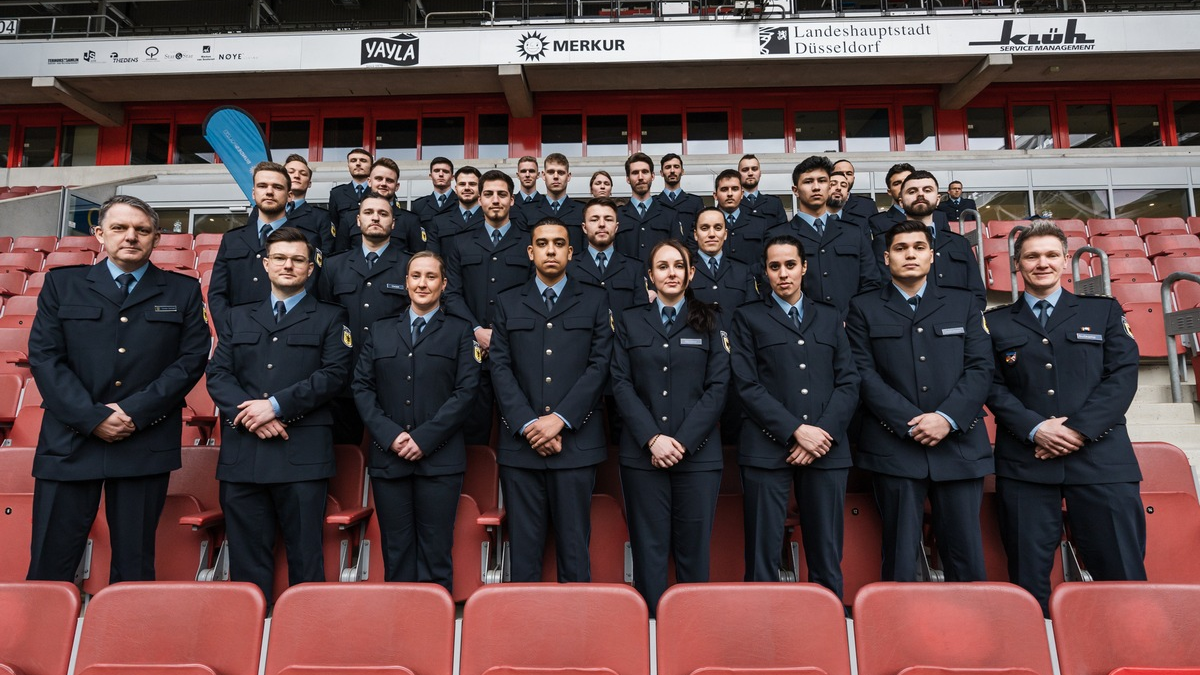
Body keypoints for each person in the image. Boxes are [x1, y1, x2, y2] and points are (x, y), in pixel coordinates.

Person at [26, 195, 210, 584]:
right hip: (70, 441)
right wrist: (93, 418)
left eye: (142, 230)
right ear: (99, 234)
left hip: (142, 440)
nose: (131, 237)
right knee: (50, 560)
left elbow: (190, 361)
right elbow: (45, 358)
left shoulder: (183, 291)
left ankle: (128, 644)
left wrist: (133, 413)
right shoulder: (63, 284)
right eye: (120, 228)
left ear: (157, 237)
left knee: (135, 565)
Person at [985, 221, 1146, 615]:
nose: (1042, 263)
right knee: (1027, 580)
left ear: (1065, 260)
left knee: (1121, 571)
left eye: (1051, 255)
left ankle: (1127, 651)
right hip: (1027, 464)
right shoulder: (995, 322)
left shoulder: (1104, 311)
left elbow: (1122, 377)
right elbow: (988, 385)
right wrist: (1036, 429)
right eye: (1032, 256)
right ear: (1017, 265)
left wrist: (1077, 430)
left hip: (1101, 462)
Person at [206, 226, 354, 602]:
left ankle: (305, 644)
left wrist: (273, 407)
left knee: (306, 558)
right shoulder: (238, 317)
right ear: (266, 264)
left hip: (301, 455)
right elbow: (218, 375)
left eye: (298, 260)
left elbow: (334, 376)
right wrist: (254, 413)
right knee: (247, 561)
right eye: (281, 258)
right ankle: (250, 643)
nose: (289, 265)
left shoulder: (331, 317)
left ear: (310, 269)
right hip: (244, 455)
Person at [845, 220, 992, 584]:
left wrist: (946, 417)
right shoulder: (863, 308)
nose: (909, 254)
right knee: (899, 555)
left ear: (931, 255)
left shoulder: (964, 303)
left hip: (957, 444)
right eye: (900, 248)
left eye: (917, 247)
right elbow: (863, 374)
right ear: (886, 257)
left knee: (965, 553)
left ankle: (974, 634)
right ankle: (898, 633)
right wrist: (912, 420)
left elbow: (980, 368)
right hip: (894, 446)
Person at [731, 235, 860, 598]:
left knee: (826, 551)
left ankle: (828, 626)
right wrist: (795, 431)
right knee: (762, 553)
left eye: (790, 265)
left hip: (826, 448)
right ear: (765, 272)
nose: (783, 274)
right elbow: (746, 384)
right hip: (766, 449)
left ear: (804, 267)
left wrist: (821, 434)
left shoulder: (831, 316)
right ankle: (763, 631)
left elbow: (848, 381)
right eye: (775, 267)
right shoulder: (748, 317)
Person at [488, 218, 613, 582]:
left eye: (559, 243)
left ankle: (577, 633)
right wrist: (529, 424)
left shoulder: (593, 299)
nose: (551, 250)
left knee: (575, 548)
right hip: (521, 446)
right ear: (531, 252)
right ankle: (525, 635)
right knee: (524, 551)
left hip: (576, 443)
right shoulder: (509, 302)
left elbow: (599, 365)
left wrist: (560, 419)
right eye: (542, 244)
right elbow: (500, 368)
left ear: (571, 252)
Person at [611, 239, 729, 615]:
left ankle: (692, 628)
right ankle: (649, 627)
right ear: (650, 275)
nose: (671, 273)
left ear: (691, 273)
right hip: (643, 456)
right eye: (662, 266)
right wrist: (653, 439)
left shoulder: (710, 319)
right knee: (649, 547)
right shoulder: (630, 320)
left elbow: (718, 386)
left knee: (694, 548)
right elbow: (620, 383)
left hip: (698, 457)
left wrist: (681, 441)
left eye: (678, 266)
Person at [352, 251, 481, 590]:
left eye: (431, 277)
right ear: (406, 282)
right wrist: (390, 435)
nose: (423, 283)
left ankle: (434, 630)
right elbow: (362, 387)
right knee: (396, 551)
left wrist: (424, 438)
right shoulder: (380, 330)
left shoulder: (459, 331)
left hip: (440, 460)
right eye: (416, 276)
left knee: (436, 550)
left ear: (443, 283)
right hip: (389, 457)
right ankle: (399, 629)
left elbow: (466, 391)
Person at [444, 169, 533, 445]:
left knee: (518, 429)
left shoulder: (529, 241)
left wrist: (502, 334)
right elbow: (452, 295)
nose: (496, 200)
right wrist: (476, 330)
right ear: (480, 199)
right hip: (472, 351)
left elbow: (533, 294)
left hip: (518, 350)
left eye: (502, 194)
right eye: (489, 194)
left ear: (512, 200)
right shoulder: (460, 242)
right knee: (474, 431)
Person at [317, 194, 412, 445]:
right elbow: (325, 317)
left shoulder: (410, 265)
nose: (376, 218)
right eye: (369, 212)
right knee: (345, 452)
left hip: (394, 374)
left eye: (383, 213)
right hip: (345, 375)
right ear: (358, 221)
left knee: (393, 450)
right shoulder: (333, 266)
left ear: (394, 222)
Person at [208, 160, 324, 338]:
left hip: (288, 335)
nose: (269, 192)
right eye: (262, 186)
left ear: (290, 195)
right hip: (239, 336)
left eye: (277, 187)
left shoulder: (308, 238)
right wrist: (231, 331)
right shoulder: (232, 239)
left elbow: (310, 289)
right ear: (254, 193)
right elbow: (217, 293)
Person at [770, 156, 879, 315]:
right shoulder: (778, 235)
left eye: (822, 181)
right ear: (795, 191)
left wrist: (851, 317)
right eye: (808, 182)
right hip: (800, 329)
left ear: (829, 187)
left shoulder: (854, 233)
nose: (816, 187)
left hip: (852, 327)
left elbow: (871, 282)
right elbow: (771, 286)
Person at [884, 171, 986, 304]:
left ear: (938, 200)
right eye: (912, 191)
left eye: (927, 190)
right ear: (901, 202)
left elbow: (977, 295)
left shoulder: (960, 243)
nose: (920, 194)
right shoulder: (884, 242)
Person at [570, 197, 649, 325]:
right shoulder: (569, 267)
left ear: (616, 227)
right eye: (594, 219)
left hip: (623, 343)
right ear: (584, 228)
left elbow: (643, 315)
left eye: (608, 219)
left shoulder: (634, 268)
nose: (602, 224)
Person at [333, 158, 423, 255]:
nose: (383, 184)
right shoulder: (349, 218)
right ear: (369, 182)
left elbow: (417, 259)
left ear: (397, 186)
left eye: (389, 180)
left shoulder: (411, 220)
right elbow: (340, 256)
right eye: (378, 178)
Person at [615, 152, 682, 263]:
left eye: (645, 172)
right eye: (635, 173)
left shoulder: (669, 214)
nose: (640, 177)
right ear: (627, 178)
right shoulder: (617, 216)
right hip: (627, 279)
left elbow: (678, 253)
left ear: (652, 176)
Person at [521, 154, 585, 250]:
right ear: (543, 175)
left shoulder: (582, 211)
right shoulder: (527, 210)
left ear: (568, 176)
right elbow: (523, 249)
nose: (555, 177)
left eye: (561, 173)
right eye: (551, 172)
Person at [428, 166, 483, 256]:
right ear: (456, 189)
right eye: (462, 184)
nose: (467, 188)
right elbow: (433, 257)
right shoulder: (439, 221)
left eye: (472, 184)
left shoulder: (490, 219)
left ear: (480, 188)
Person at [281, 155, 331, 253]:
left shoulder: (321, 216)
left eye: (303, 173)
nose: (296, 176)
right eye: (290, 172)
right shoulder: (261, 211)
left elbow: (326, 253)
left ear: (309, 183)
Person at [326, 148, 373, 251]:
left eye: (363, 160)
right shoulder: (337, 193)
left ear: (371, 166)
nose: (358, 164)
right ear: (348, 166)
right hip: (344, 249)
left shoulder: (378, 191)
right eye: (353, 160)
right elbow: (334, 225)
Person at [737, 154, 788, 226]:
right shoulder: (732, 203)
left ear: (760, 173)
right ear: (738, 175)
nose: (750, 173)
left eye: (754, 169)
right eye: (745, 170)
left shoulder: (775, 203)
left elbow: (784, 231)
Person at [659, 153, 704, 230]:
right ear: (661, 173)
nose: (672, 171)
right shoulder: (653, 203)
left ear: (682, 171)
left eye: (676, 167)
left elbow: (700, 230)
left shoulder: (695, 202)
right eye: (668, 167)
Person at [411, 157, 458, 229]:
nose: (441, 174)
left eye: (445, 171)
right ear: (430, 176)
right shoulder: (419, 205)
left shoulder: (462, 202)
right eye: (436, 171)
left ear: (452, 177)